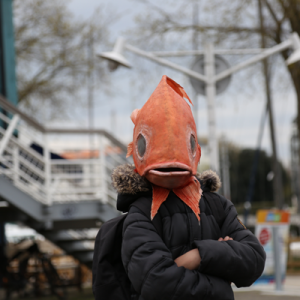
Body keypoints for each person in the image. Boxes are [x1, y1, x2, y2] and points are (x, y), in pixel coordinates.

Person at [111, 75, 266, 300]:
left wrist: (197, 256)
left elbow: (254, 259)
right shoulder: (140, 214)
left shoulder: (218, 206)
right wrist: (222, 277)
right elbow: (157, 284)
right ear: (136, 152)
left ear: (197, 151)